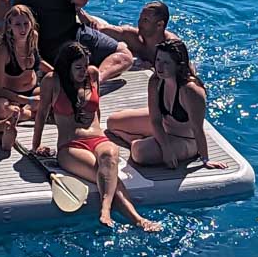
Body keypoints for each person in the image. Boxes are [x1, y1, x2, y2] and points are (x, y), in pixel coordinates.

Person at [32, 42, 161, 232]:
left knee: (110, 153)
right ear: (66, 66)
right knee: (108, 177)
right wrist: (36, 146)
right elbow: (41, 114)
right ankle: (137, 219)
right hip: (71, 145)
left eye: (85, 65)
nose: (83, 71)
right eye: (78, 67)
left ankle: (107, 209)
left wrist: (100, 131)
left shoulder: (92, 74)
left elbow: (96, 109)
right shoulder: (52, 81)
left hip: (98, 139)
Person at [106, 39, 227, 170]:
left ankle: (134, 140)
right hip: (164, 126)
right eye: (158, 60)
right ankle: (143, 138)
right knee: (112, 122)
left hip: (185, 139)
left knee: (139, 152)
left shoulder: (190, 90)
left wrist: (205, 159)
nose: (159, 67)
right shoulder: (156, 80)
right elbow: (155, 120)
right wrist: (166, 148)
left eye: (166, 63)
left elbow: (197, 129)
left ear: (178, 65)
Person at [0, 5, 51, 121]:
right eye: (18, 24)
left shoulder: (33, 37)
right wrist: (28, 101)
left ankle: (24, 113)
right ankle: (32, 113)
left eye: (26, 24)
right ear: (9, 26)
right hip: (10, 97)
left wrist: (55, 72)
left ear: (31, 23)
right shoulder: (2, 50)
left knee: (55, 84)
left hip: (33, 91)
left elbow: (38, 60)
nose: (23, 29)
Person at [86, 0, 183, 68]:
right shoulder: (134, 38)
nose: (139, 22)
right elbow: (99, 27)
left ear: (160, 24)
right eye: (140, 18)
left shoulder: (171, 46)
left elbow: (186, 73)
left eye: (145, 20)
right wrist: (79, 11)